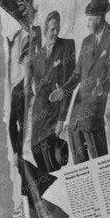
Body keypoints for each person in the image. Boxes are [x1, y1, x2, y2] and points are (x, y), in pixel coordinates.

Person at [64, 0, 110, 164]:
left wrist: (102, 88)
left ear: (98, 19)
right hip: (77, 109)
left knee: (99, 159)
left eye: (89, 19)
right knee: (79, 161)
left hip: (95, 107)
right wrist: (64, 89)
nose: (87, 24)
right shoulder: (86, 42)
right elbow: (76, 74)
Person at [29, 10, 76, 174]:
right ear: (45, 30)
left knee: (53, 156)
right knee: (35, 149)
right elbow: (36, 88)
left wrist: (61, 119)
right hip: (39, 112)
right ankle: (46, 182)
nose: (56, 32)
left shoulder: (67, 46)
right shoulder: (37, 57)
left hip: (55, 112)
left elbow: (68, 86)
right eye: (52, 29)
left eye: (58, 28)